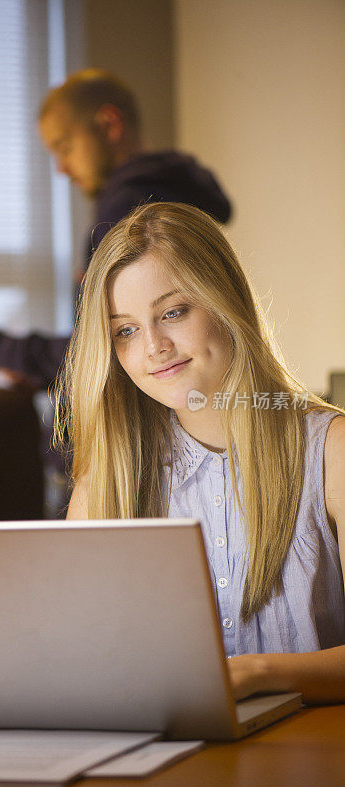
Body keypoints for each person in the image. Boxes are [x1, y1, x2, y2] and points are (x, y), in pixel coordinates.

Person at [56, 201, 345, 704]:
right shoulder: (107, 479)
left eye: (172, 312)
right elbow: (77, 656)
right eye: (124, 329)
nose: (153, 346)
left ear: (225, 300)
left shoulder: (331, 451)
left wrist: (253, 673)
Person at [0, 69, 232, 389]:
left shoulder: (131, 213)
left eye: (64, 147)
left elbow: (106, 349)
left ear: (109, 125)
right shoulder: (170, 198)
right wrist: (38, 371)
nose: (61, 168)